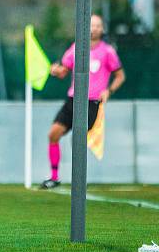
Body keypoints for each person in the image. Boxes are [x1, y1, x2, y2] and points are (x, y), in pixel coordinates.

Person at [42, 14, 125, 189]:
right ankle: (54, 177)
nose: (94, 28)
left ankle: (79, 181)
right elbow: (64, 71)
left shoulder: (107, 51)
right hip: (73, 99)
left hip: (91, 103)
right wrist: (55, 70)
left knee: (78, 140)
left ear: (102, 29)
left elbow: (120, 76)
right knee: (53, 134)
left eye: (98, 25)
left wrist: (108, 91)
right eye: (91, 25)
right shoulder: (76, 48)